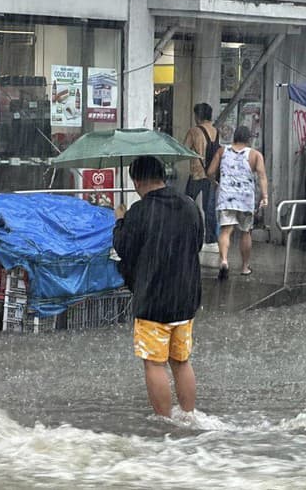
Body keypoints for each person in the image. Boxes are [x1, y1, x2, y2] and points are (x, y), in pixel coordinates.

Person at [113, 156, 203, 418]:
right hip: (185, 299)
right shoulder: (188, 204)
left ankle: (164, 422)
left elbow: (124, 249)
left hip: (153, 300)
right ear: (162, 177)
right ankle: (188, 416)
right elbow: (197, 243)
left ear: (136, 181)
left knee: (154, 363)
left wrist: (120, 220)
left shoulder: (139, 212)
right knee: (181, 360)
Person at [207, 125, 269, 279]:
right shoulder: (255, 155)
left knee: (225, 230)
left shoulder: (222, 151)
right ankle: (245, 267)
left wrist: (216, 182)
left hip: (226, 197)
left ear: (234, 136)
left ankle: (224, 260)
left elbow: (209, 172)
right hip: (245, 199)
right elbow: (262, 176)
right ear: (248, 139)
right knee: (245, 232)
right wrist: (265, 196)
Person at [183, 103, 220, 245]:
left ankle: (188, 234)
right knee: (209, 209)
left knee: (186, 204)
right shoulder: (216, 131)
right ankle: (211, 239)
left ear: (198, 116)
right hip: (211, 175)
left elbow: (184, 148)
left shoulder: (194, 131)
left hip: (197, 174)